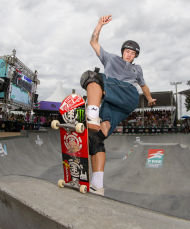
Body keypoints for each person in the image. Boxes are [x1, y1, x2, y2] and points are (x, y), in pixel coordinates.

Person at [80, 15, 156, 195]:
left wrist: (150, 98)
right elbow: (93, 42)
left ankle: (91, 115)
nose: (129, 55)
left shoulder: (137, 69)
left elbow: (143, 86)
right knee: (96, 138)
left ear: (135, 56)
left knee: (92, 77)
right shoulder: (110, 58)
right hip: (113, 102)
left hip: (128, 95)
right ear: (122, 51)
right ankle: (97, 185)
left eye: (133, 54)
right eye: (128, 52)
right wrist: (99, 24)